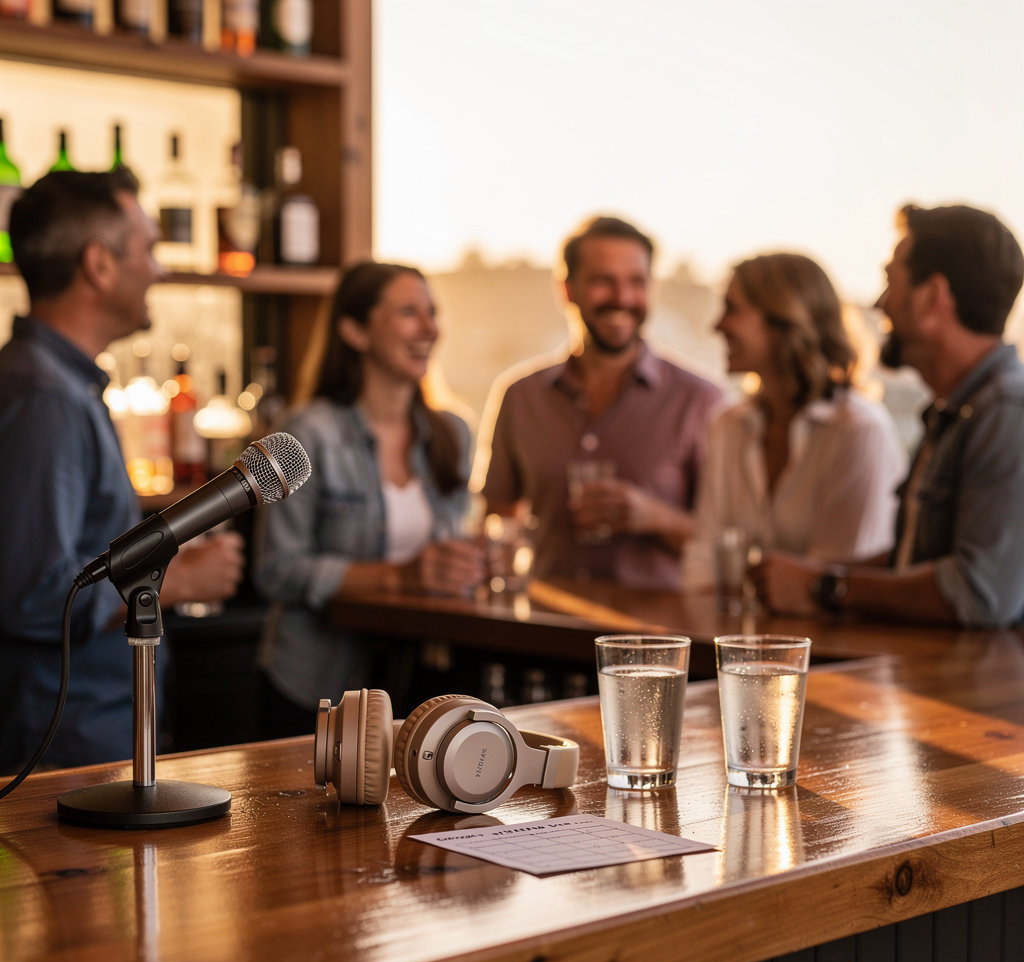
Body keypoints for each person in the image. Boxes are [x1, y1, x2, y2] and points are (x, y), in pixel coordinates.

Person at [0, 169, 245, 773]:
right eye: (148, 249)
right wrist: (177, 579)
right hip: (65, 751)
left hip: (83, 739)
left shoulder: (57, 384)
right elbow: (33, 594)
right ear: (99, 265)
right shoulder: (47, 398)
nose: (159, 270)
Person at [758, 203, 1024, 627]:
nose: (880, 304)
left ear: (932, 297)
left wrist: (826, 586)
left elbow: (977, 592)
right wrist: (814, 577)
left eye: (889, 281)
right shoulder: (956, 411)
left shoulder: (1009, 414)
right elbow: (911, 560)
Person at [253, 261, 485, 730]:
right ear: (355, 331)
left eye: (432, 312)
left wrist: (478, 560)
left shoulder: (452, 434)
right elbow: (277, 571)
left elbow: (451, 548)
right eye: (408, 313)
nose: (429, 328)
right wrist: (403, 576)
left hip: (421, 686)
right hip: (317, 688)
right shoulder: (306, 433)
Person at [477, 215, 722, 590]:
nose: (622, 298)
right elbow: (497, 521)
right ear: (567, 290)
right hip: (544, 628)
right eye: (603, 281)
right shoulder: (519, 396)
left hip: (657, 638)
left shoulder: (701, 401)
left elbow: (730, 543)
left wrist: (653, 517)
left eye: (636, 282)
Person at [683, 252, 907, 586]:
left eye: (732, 309)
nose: (717, 325)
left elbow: (836, 583)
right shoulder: (727, 425)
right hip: (732, 636)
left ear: (784, 318)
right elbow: (704, 560)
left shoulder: (859, 432)